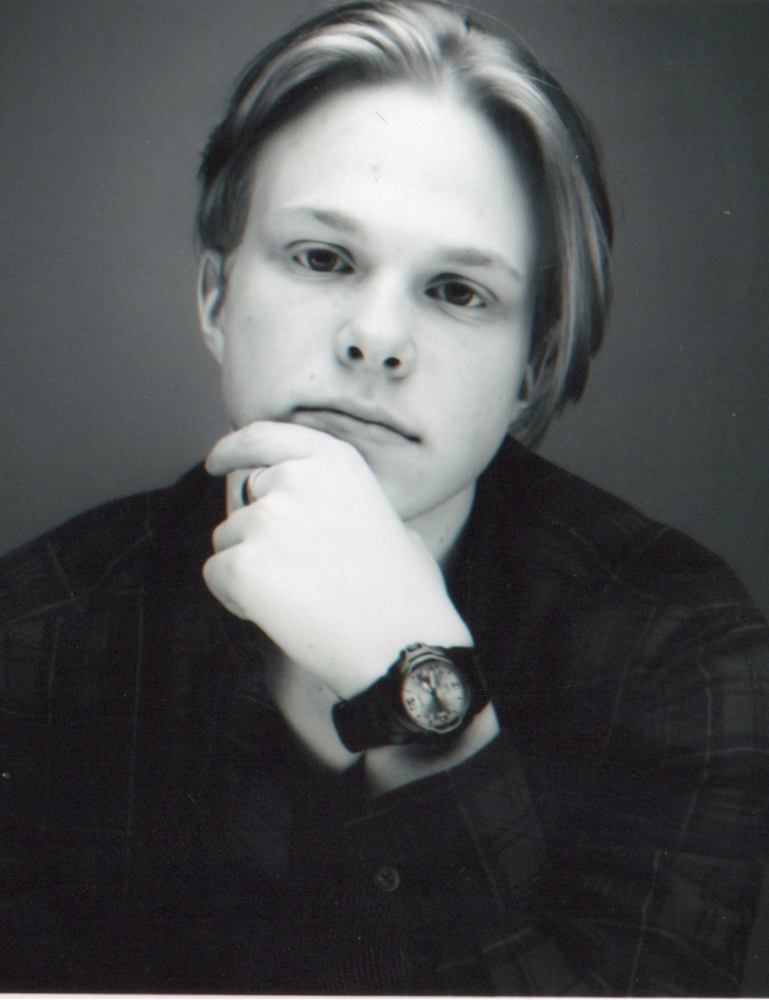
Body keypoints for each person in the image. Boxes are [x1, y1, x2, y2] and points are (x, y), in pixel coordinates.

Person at [1, 0, 768, 993]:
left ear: (533, 369)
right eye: (323, 259)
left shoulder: (679, 652)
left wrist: (414, 689)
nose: (375, 338)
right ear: (216, 297)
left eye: (457, 291)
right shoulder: (32, 636)